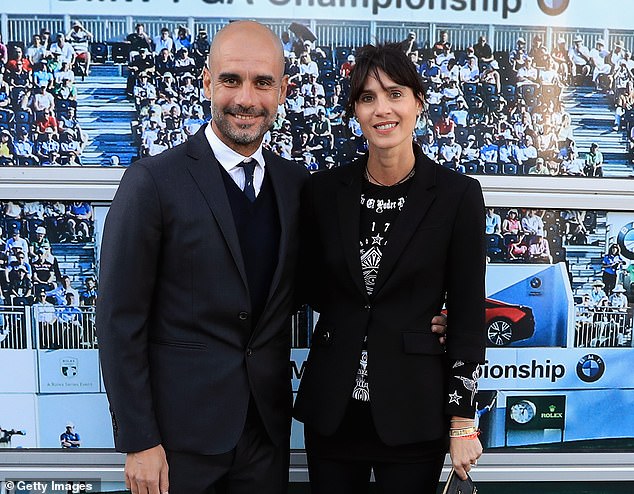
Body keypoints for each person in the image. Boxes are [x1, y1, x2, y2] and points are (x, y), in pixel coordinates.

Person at [293, 43, 485, 494]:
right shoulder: (324, 191)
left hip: (414, 408)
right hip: (332, 411)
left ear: (418, 102)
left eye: (394, 93)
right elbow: (312, 288)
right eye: (367, 97)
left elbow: (467, 312)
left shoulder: (457, 195)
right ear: (355, 112)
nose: (382, 109)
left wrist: (462, 420)